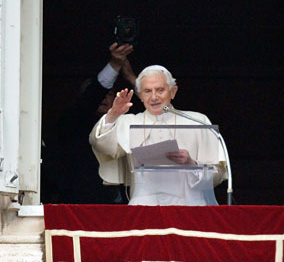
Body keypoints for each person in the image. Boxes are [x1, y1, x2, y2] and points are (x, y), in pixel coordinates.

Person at [89, 65, 226, 205]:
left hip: (189, 206)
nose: (154, 97)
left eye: (160, 90)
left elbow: (218, 175)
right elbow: (101, 145)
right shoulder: (128, 122)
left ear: (173, 92)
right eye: (147, 91)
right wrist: (113, 114)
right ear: (141, 95)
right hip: (143, 207)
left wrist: (191, 164)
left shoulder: (197, 121)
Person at [42, 43, 136, 204]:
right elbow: (90, 98)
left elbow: (160, 117)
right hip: (82, 203)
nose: (103, 98)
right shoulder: (73, 122)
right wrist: (115, 65)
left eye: (109, 94)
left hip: (120, 205)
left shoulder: (126, 123)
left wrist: (132, 79)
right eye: (100, 94)